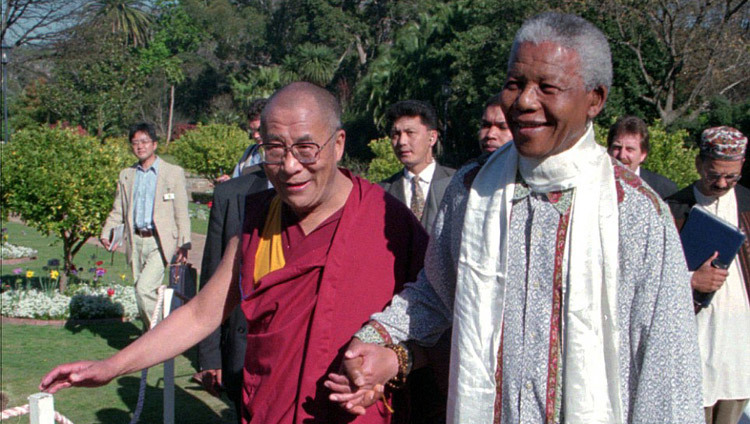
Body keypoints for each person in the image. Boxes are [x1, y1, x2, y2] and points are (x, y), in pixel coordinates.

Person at [328, 12, 703, 423]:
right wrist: (378, 339)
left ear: (595, 99)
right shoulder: (472, 191)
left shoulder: (635, 213)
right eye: (515, 84)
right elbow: (436, 294)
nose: (525, 101)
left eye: (548, 87)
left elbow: (668, 373)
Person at [41, 82, 428, 424]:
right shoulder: (259, 220)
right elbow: (200, 313)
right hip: (267, 409)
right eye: (274, 149)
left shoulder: (388, 222)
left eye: (307, 148)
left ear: (338, 143)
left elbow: (437, 329)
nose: (291, 165)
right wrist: (110, 366)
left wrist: (393, 362)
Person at [666, 126, 750, 424]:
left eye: (732, 176)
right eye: (714, 175)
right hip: (693, 349)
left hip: (738, 350)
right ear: (699, 164)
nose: (723, 183)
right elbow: (647, 281)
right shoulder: (673, 209)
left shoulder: (747, 205)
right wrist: (690, 280)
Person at [194, 166, 269, 421]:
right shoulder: (231, 194)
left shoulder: (334, 195)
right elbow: (211, 280)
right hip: (242, 352)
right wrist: (210, 356)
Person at [100, 122, 191, 329]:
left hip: (160, 242)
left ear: (154, 144)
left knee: (144, 289)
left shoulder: (172, 172)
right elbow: (118, 210)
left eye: (144, 142)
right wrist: (107, 233)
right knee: (142, 292)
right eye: (135, 143)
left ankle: (159, 337)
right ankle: (151, 334)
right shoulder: (126, 175)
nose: (140, 147)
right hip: (135, 241)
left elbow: (181, 211)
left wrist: (184, 243)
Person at [380, 100, 455, 232]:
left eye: (410, 133)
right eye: (396, 135)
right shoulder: (382, 191)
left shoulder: (456, 182)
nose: (402, 142)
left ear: (432, 137)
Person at [607, 115, 678, 198]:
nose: (622, 155)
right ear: (609, 150)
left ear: (643, 155)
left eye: (629, 149)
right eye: (617, 148)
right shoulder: (595, 183)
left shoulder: (664, 189)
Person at [215, 99, 268, 183]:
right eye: (252, 131)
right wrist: (229, 183)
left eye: (259, 130)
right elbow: (239, 183)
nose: (255, 135)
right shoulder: (249, 154)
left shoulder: (285, 154)